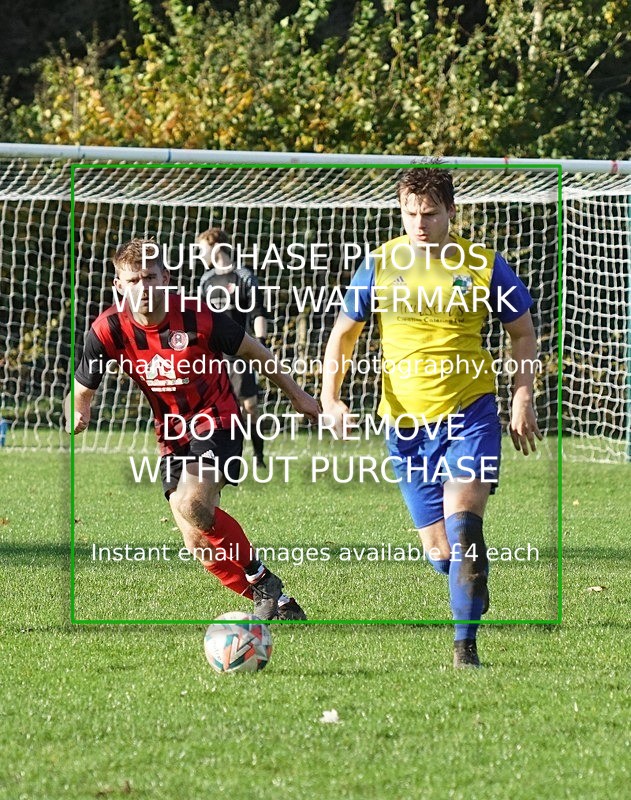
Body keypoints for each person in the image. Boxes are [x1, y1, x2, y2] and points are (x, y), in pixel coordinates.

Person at [321, 167, 541, 667]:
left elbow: (523, 334)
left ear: (451, 212)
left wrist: (522, 395)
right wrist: (331, 398)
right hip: (403, 425)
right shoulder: (379, 264)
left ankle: (465, 650)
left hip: (471, 412)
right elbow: (343, 336)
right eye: (411, 213)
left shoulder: (484, 265)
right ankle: (469, 583)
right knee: (443, 554)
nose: (419, 223)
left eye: (430, 213)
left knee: (465, 530)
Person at [65, 238, 320, 620]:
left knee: (192, 503)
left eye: (150, 277)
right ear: (118, 286)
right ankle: (276, 604)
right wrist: (77, 412)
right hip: (170, 434)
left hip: (217, 418)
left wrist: (297, 396)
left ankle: (263, 579)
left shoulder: (198, 316)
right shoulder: (107, 330)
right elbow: (81, 390)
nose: (143, 288)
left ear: (166, 277)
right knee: (196, 540)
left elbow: (257, 352)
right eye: (133, 280)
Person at [197, 228, 268, 468]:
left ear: (215, 246)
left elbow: (257, 311)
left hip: (240, 351)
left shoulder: (244, 276)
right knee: (220, 410)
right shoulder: (206, 281)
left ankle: (259, 456)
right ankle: (225, 459)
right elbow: (200, 317)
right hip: (213, 354)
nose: (199, 254)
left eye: (202, 249)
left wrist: (261, 344)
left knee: (249, 407)